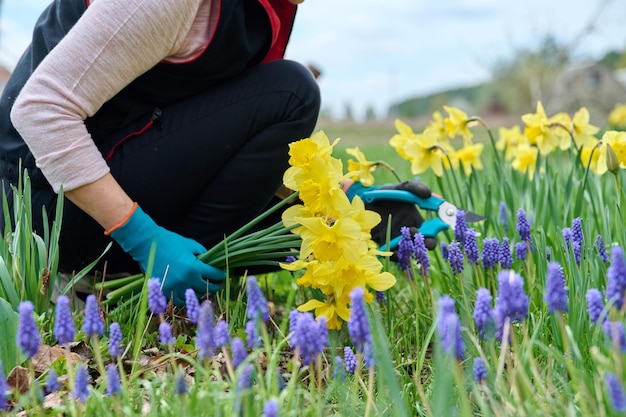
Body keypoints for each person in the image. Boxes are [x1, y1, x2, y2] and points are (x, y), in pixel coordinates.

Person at [0, 0, 433, 307]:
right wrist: (144, 240)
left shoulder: (264, 11)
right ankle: (155, 289)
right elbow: (40, 111)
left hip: (94, 184)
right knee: (292, 92)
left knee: (297, 218)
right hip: (42, 218)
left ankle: (179, 284)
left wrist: (343, 204)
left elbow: (220, 139)